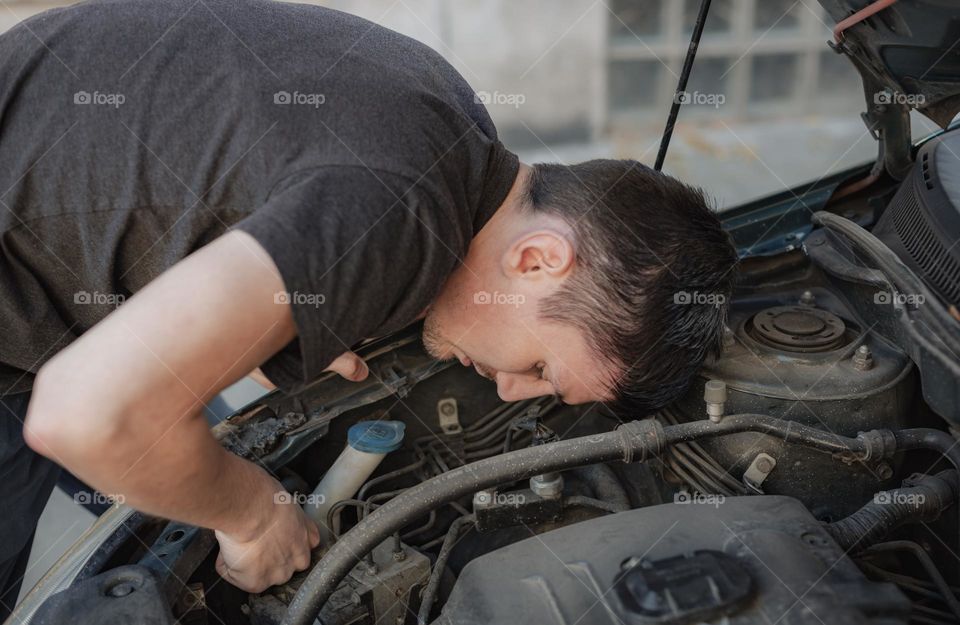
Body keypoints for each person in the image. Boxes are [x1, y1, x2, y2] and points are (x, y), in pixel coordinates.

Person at [0, 0, 737, 613]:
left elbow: (243, 174)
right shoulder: (394, 214)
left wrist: (313, 301)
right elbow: (88, 414)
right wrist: (253, 515)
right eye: (544, 366)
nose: (512, 390)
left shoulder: (451, 123)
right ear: (539, 259)